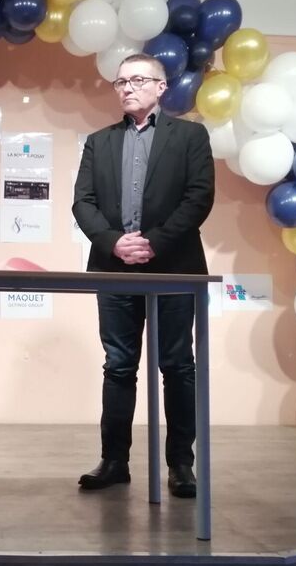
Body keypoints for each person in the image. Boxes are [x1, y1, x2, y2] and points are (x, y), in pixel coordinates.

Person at [72, 53, 215, 498]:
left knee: (178, 365)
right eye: (121, 82)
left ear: (161, 86)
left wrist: (154, 241)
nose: (128, 88)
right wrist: (114, 242)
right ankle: (114, 461)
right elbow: (83, 202)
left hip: (175, 267)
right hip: (114, 269)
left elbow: (198, 197)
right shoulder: (99, 141)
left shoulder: (190, 136)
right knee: (118, 365)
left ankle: (181, 465)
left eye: (138, 80)